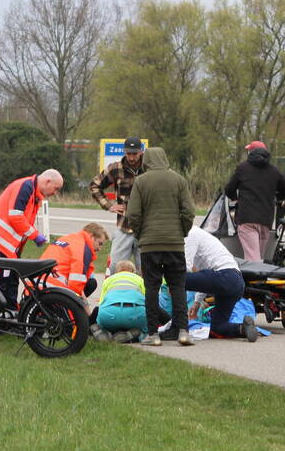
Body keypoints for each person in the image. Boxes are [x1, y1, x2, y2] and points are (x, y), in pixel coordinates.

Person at [125, 147, 196, 346]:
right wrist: (182, 232)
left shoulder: (141, 181)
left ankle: (153, 334)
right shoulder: (179, 180)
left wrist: (140, 234)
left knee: (152, 288)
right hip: (174, 244)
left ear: (146, 161)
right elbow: (189, 212)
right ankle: (183, 332)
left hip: (149, 245)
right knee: (178, 287)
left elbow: (133, 214)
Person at [0, 169, 64, 308]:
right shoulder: (25, 187)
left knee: (12, 278)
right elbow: (15, 217)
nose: (55, 193)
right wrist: (35, 236)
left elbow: (23, 220)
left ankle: (11, 310)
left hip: (8, 245)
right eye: (56, 188)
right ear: (47, 181)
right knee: (0, 281)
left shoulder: (34, 193)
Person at [184, 225, 258, 341]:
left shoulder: (190, 233)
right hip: (237, 282)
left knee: (178, 279)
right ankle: (243, 328)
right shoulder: (203, 236)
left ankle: (177, 325)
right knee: (217, 328)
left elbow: (186, 268)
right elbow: (205, 279)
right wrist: (197, 303)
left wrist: (171, 282)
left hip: (224, 276)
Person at [224, 141, 285, 262]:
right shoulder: (273, 171)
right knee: (259, 258)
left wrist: (235, 198)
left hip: (247, 219)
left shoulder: (243, 168)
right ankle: (259, 274)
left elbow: (229, 189)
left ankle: (253, 274)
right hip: (265, 221)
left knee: (253, 260)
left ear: (251, 152)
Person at [90, 136, 146, 270]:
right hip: (124, 227)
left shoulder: (150, 168)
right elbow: (95, 185)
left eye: (135, 154)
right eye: (128, 153)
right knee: (115, 268)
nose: (131, 157)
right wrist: (108, 205)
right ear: (124, 152)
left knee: (147, 270)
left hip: (146, 229)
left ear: (141, 152)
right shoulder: (115, 168)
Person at [89, 260, 157, 344]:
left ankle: (104, 331)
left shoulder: (108, 280)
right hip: (134, 316)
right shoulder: (140, 280)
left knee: (106, 318)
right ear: (133, 271)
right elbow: (147, 301)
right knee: (144, 327)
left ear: (116, 271)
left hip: (110, 316)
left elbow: (101, 303)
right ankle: (139, 335)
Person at [42, 223, 109, 304]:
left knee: (90, 282)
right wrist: (82, 307)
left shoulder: (67, 238)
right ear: (91, 236)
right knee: (91, 284)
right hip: (53, 288)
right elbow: (76, 284)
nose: (99, 248)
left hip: (39, 284)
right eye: (99, 243)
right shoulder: (83, 249)